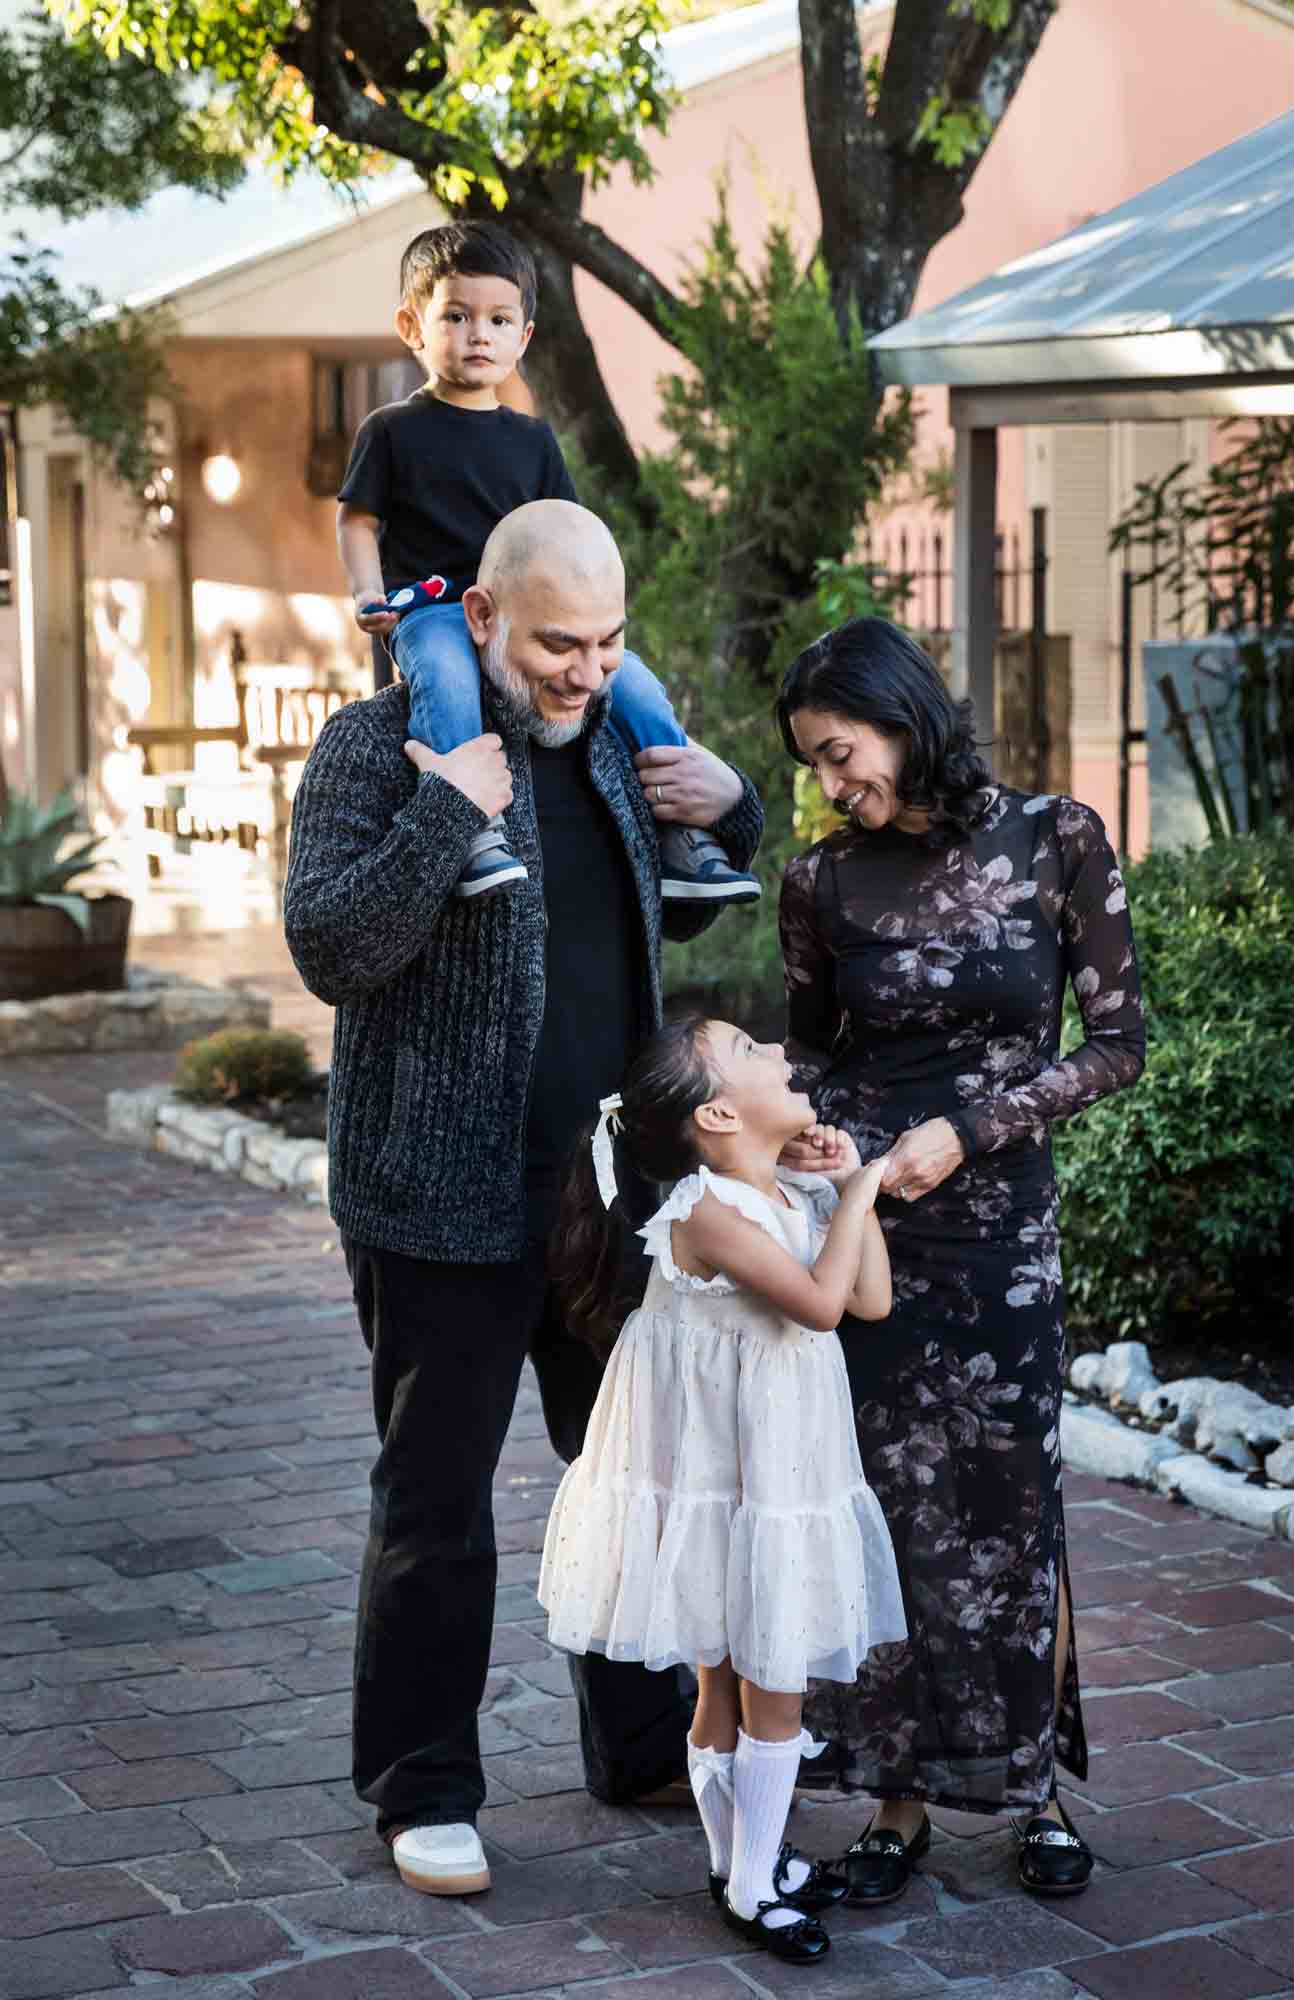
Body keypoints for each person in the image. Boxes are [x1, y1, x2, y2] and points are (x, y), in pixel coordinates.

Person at [283, 500, 764, 1897]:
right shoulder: (376, 747)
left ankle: (636, 1742)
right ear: (480, 617)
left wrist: (731, 804)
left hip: (603, 1192)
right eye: (562, 643)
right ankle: (421, 1787)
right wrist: (448, 811)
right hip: (436, 1189)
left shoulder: (615, 738)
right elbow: (331, 944)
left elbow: (659, 913)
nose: (588, 671)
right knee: (436, 1498)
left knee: (626, 1477)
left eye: (611, 643)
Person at [774, 617, 1146, 1904]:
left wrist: (971, 1129)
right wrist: (825, 1142)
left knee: (1008, 1512)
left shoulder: (1057, 838)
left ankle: (1030, 1790)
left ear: (899, 713)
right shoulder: (821, 881)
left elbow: (1117, 1042)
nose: (832, 781)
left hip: (999, 1238)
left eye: (841, 750)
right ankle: (895, 1803)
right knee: (878, 1511)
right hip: (869, 1238)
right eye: (816, 764)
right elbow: (811, 1054)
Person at [539, 1012, 908, 1965]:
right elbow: (823, 1307)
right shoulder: (706, 1210)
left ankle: (745, 1863)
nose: (781, 1054)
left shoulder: (782, 1191)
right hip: (723, 1472)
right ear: (715, 1114)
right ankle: (749, 1883)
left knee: (747, 1671)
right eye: (752, 1052)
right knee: (749, 1676)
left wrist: (839, 1187)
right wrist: (863, 1188)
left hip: (772, 1463)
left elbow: (870, 1299)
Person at [336, 217, 758, 907]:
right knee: (443, 676)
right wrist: (366, 595)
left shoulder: (533, 441)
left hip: (526, 619)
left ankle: (685, 837)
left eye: (499, 320)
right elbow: (357, 520)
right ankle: (474, 831)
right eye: (457, 316)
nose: (480, 335)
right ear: (412, 326)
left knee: (641, 688)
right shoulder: (390, 431)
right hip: (435, 610)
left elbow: (569, 534)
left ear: (523, 337)